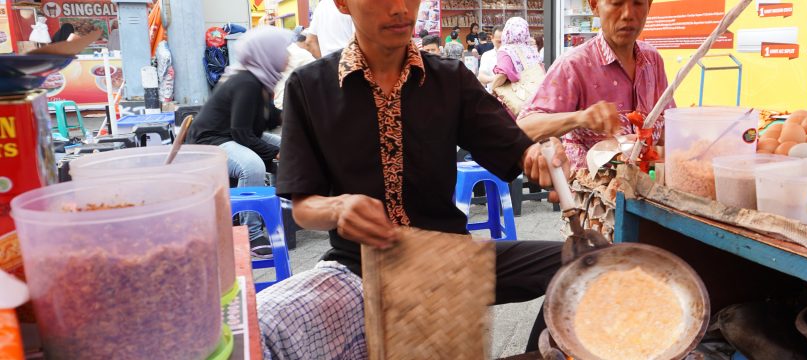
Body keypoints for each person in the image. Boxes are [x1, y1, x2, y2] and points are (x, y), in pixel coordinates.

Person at [278, 0, 569, 352]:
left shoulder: (448, 78)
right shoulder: (310, 87)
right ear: (342, 4)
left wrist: (537, 156)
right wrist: (339, 208)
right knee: (269, 324)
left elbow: (514, 148)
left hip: (448, 257)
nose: (400, 8)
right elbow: (303, 206)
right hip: (361, 266)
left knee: (577, 264)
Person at [518, 0, 675, 170]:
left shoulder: (653, 61)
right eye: (616, 3)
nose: (628, 14)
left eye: (638, 3)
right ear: (594, 6)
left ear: (649, 6)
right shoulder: (575, 64)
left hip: (647, 191)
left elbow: (667, 127)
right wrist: (580, 118)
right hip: (590, 193)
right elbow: (524, 128)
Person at [188, 27, 292, 257]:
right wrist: (275, 153)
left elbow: (266, 120)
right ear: (268, 53)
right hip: (211, 141)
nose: (288, 57)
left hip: (231, 135)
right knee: (252, 165)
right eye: (283, 51)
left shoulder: (261, 79)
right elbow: (242, 133)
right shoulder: (247, 82)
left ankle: (282, 208)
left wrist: (297, 114)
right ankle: (250, 233)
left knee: (290, 145)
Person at [491, 17, 546, 118]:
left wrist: (492, 90)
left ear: (507, 31)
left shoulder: (506, 50)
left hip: (515, 104)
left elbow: (502, 75)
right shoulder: (532, 49)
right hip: (535, 101)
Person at [275, 30, 319, 109]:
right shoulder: (303, 54)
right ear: (306, 43)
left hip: (280, 104)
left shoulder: (284, 50)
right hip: (294, 107)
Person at [477, 26, 502, 91]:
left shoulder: (515, 54)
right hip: (494, 95)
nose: (502, 45)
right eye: (499, 42)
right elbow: (481, 77)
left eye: (505, 41)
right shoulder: (487, 55)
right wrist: (497, 79)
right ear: (492, 39)